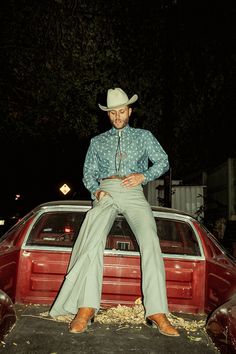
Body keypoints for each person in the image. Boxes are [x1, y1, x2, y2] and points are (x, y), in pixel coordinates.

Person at [49, 87, 180, 337]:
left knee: (151, 240)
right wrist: (95, 190)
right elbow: (88, 172)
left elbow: (163, 161)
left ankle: (157, 311)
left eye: (122, 111)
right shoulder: (97, 142)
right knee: (92, 240)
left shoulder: (144, 136)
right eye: (113, 113)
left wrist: (144, 175)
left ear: (129, 111)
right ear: (108, 115)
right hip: (106, 190)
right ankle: (86, 308)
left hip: (133, 191)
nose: (118, 116)